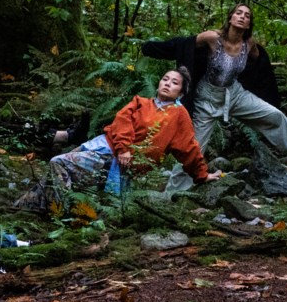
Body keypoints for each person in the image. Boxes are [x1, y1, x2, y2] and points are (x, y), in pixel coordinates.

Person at [144, 4, 287, 192]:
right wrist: (150, 48)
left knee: (275, 117)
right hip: (207, 99)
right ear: (230, 18)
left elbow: (260, 62)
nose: (242, 17)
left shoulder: (249, 44)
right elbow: (182, 45)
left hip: (235, 94)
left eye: (247, 15)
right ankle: (173, 194)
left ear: (248, 24)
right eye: (238, 13)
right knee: (192, 149)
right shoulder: (212, 38)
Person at [14, 68, 222, 209]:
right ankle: (25, 207)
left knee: (58, 163)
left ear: (181, 92)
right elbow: (122, 121)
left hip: (121, 164)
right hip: (107, 146)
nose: (167, 84)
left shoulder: (179, 115)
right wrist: (124, 148)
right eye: (165, 79)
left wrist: (202, 175)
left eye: (174, 83)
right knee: (56, 171)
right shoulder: (140, 102)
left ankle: (63, 212)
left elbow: (188, 148)